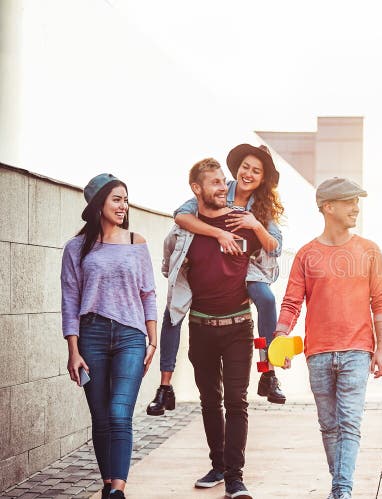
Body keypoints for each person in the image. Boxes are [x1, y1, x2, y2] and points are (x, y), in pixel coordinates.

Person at [147, 143, 284, 416]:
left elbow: (275, 247)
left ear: (262, 178)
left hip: (246, 272)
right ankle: (165, 387)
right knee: (173, 310)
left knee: (267, 299)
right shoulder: (219, 188)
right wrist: (219, 233)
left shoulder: (262, 208)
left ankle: (268, 372)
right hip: (209, 267)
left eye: (256, 171)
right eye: (245, 166)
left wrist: (254, 224)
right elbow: (181, 215)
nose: (248, 173)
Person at [275, 177, 382, 499]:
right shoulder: (306, 255)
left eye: (357, 201)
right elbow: (291, 302)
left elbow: (380, 302)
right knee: (329, 426)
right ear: (329, 207)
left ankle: (341, 490)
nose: (356, 208)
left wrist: (381, 349)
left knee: (349, 424)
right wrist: (280, 340)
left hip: (357, 350)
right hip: (319, 353)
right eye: (350, 201)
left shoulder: (369, 250)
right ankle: (340, 487)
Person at [164, 158, 268, 498]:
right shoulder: (183, 230)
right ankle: (218, 465)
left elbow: (269, 257)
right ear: (197, 189)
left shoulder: (243, 222)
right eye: (215, 183)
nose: (224, 187)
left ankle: (235, 479)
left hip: (239, 326)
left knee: (237, 402)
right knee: (210, 401)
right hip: (201, 328)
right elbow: (170, 268)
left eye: (224, 181)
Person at [61, 174, 158, 499]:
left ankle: (118, 488)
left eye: (125, 199)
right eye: (116, 199)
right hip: (91, 337)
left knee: (119, 413)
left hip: (131, 337)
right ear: (98, 203)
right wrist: (73, 350)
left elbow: (148, 294)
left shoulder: (136, 242)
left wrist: (153, 339)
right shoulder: (76, 248)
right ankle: (109, 487)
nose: (123, 205)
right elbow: (70, 299)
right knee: (101, 416)